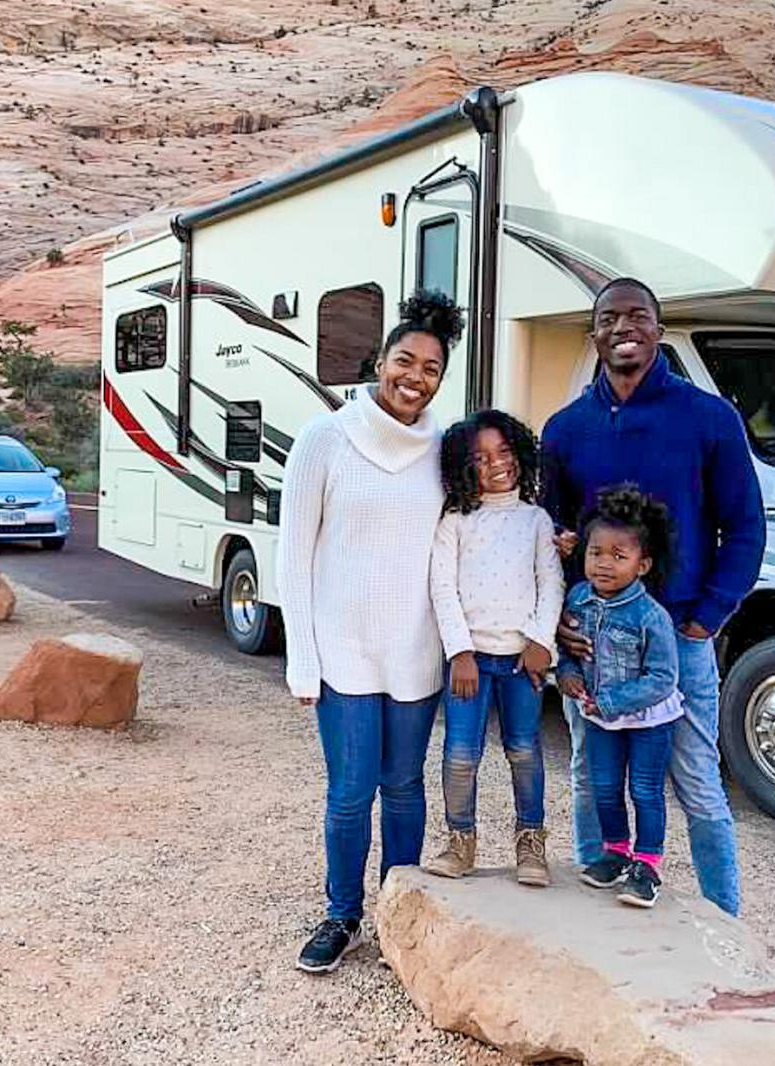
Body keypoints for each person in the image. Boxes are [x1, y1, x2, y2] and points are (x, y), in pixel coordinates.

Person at [542, 277, 765, 917]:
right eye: (609, 319)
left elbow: (745, 525)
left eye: (637, 316)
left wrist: (707, 616)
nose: (623, 328)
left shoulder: (708, 418)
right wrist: (560, 622)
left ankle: (725, 920)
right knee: (593, 775)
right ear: (594, 336)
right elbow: (551, 536)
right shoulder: (566, 430)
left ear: (659, 331)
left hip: (680, 640)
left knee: (697, 783)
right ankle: (598, 890)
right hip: (593, 642)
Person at [278, 290, 465, 974]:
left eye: (432, 368)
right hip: (344, 652)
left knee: (406, 788)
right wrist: (303, 660)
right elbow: (293, 555)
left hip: (415, 651)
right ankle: (342, 915)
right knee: (351, 792)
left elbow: (468, 537)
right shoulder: (324, 439)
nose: (415, 377)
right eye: (405, 360)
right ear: (379, 360)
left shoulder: (446, 450)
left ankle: (399, 913)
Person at [423, 410, 564, 887]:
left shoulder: (536, 520)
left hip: (522, 662)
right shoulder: (456, 521)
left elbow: (552, 583)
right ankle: (460, 841)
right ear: (465, 467)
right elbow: (441, 587)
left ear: (520, 455)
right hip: (471, 663)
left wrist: (542, 642)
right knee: (461, 754)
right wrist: (459, 652)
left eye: (504, 452)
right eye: (481, 458)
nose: (496, 464)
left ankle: (531, 843)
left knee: (524, 750)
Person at [557, 486, 683, 909]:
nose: (604, 563)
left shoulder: (651, 617)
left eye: (618, 555)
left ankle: (646, 865)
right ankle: (616, 853)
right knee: (605, 788)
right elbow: (569, 651)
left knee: (645, 790)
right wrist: (569, 676)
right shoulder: (578, 599)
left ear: (642, 564)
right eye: (596, 552)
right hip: (598, 718)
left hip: (647, 720)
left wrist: (610, 701)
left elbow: (663, 678)